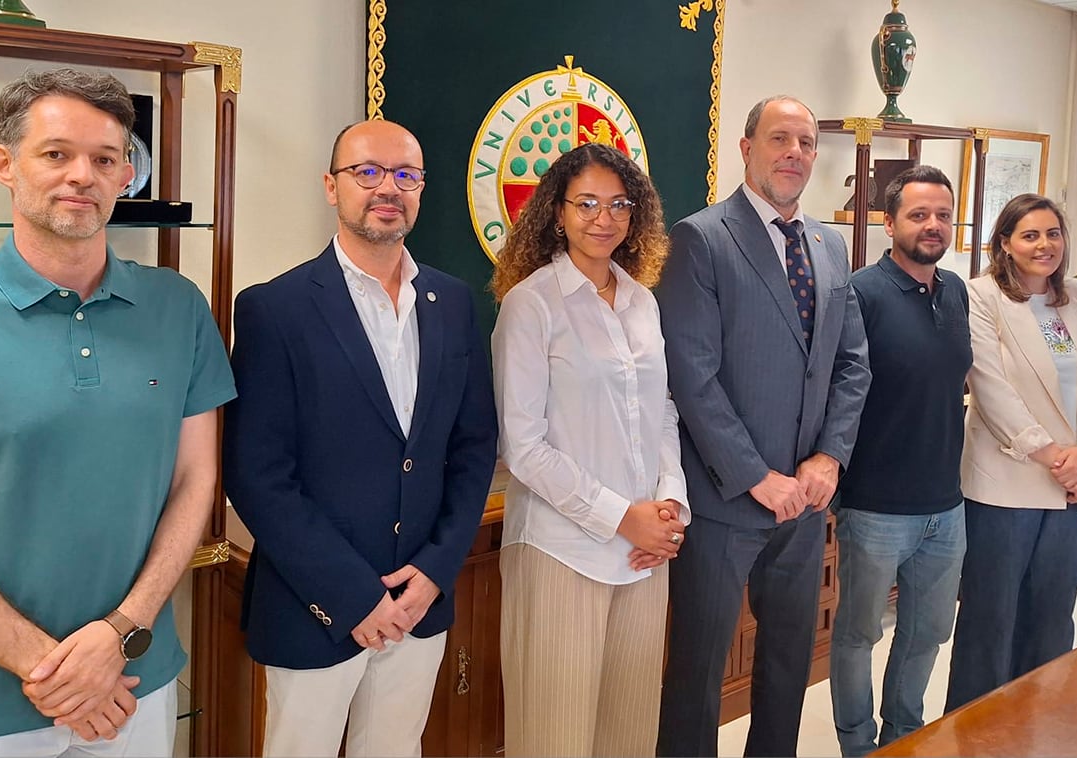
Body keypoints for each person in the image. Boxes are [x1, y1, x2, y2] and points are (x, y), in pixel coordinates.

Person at [0, 68, 235, 755]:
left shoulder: (179, 308)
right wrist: (52, 670)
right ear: (4, 165)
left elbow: (194, 484)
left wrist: (121, 634)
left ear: (127, 174)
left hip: (135, 682)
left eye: (104, 159)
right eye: (55, 154)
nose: (82, 175)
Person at [222, 119, 498, 757]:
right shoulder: (275, 308)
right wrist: (353, 595)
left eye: (406, 175)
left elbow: (474, 445)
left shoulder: (453, 303)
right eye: (367, 172)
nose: (388, 189)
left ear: (422, 189)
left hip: (420, 602)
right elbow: (257, 473)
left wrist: (433, 571)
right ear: (331, 186)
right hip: (314, 604)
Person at [655, 95, 871, 757]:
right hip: (726, 503)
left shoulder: (830, 248)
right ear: (745, 148)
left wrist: (827, 460)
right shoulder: (701, 239)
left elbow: (851, 364)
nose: (795, 154)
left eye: (806, 143)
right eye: (780, 139)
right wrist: (756, 477)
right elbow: (692, 376)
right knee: (697, 674)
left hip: (804, 506)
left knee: (786, 665)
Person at [489, 143, 688, 757]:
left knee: (628, 735)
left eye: (619, 204)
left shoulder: (642, 301)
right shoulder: (531, 305)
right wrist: (621, 516)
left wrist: (669, 507)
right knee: (555, 738)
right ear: (557, 213)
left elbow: (661, 411)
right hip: (561, 550)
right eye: (587, 204)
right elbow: (523, 447)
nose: (604, 218)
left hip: (642, 554)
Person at [944, 193, 1077, 711]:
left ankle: (1036, 725)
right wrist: (1055, 459)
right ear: (1004, 243)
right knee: (989, 620)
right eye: (1029, 235)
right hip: (1008, 481)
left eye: (1053, 233)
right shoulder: (980, 297)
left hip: (1073, 487)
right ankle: (972, 733)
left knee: (1051, 617)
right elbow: (991, 389)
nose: (1044, 245)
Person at [829, 165, 972, 755]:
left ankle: (903, 740)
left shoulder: (957, 290)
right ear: (890, 223)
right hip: (876, 505)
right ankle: (858, 745)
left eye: (942, 214)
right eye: (918, 215)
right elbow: (836, 391)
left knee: (928, 634)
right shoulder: (861, 293)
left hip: (947, 504)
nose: (932, 225)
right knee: (860, 633)